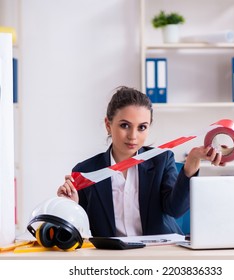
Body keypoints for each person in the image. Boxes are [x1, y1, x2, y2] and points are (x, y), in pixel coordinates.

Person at [57, 86, 225, 237]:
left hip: (160, 252)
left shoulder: (162, 159)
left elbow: (175, 209)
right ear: (108, 125)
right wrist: (72, 207)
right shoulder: (86, 171)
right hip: (111, 257)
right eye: (124, 125)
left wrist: (192, 161)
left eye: (142, 127)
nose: (133, 136)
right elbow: (80, 234)